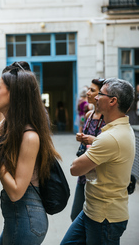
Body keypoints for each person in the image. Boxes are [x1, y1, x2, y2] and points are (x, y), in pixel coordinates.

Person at [0, 61, 61, 244]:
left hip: (28, 221)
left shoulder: (30, 136)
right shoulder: (7, 125)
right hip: (18, 219)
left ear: (14, 94)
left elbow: (16, 192)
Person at [61, 78, 135, 245]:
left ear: (112, 101)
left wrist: (88, 150)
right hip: (92, 210)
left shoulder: (110, 137)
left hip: (104, 217)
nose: (95, 97)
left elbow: (74, 169)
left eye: (100, 93)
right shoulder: (118, 130)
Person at [70, 78, 106, 222]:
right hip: (85, 171)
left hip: (99, 173)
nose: (88, 93)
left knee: (93, 217)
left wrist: (92, 140)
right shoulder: (88, 115)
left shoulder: (107, 119)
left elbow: (108, 145)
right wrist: (82, 138)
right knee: (76, 214)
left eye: (92, 90)